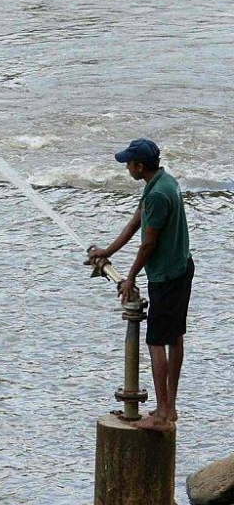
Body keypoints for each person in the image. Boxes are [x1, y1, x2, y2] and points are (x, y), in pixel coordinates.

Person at [87, 137, 194, 431]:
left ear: (140, 165)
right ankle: (169, 407)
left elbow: (148, 243)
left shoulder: (158, 194)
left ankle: (161, 414)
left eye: (128, 164)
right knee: (174, 336)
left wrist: (131, 276)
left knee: (156, 340)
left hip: (168, 277)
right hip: (181, 268)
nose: (126, 168)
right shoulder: (163, 183)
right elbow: (136, 222)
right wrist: (107, 252)